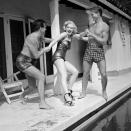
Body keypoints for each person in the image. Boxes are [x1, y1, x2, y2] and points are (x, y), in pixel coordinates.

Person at [16, 19, 53, 109]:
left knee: (32, 87)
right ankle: (42, 103)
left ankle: (21, 96)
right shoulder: (32, 38)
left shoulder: (39, 36)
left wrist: (60, 38)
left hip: (29, 62)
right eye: (44, 27)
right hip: (23, 61)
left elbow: (47, 40)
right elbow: (36, 55)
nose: (46, 29)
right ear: (40, 28)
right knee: (41, 77)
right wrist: (44, 50)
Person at [79, 7, 109, 101]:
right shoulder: (91, 25)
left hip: (99, 51)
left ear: (98, 14)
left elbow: (104, 41)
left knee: (103, 74)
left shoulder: (105, 26)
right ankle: (83, 92)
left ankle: (104, 91)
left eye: (93, 14)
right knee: (86, 73)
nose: (91, 16)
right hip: (89, 50)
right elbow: (85, 37)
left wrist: (93, 35)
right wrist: (84, 34)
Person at [46, 20, 79, 106]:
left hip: (62, 58)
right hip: (57, 56)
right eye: (68, 27)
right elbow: (55, 40)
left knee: (75, 72)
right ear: (65, 28)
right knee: (64, 75)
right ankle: (66, 96)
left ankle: (69, 91)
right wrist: (49, 47)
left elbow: (79, 36)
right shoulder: (64, 34)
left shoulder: (70, 37)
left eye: (71, 28)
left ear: (73, 29)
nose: (69, 29)